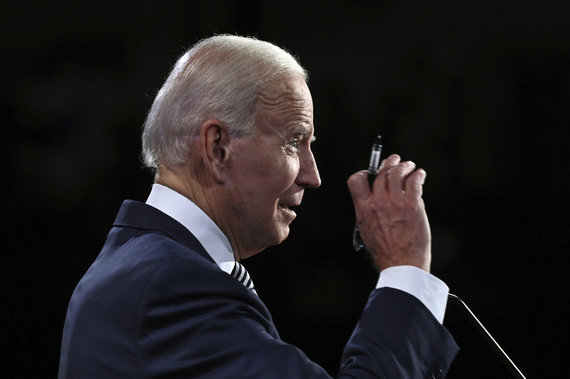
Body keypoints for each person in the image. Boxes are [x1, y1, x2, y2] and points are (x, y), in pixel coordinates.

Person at [58, 35, 458, 378]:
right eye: (293, 141)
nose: (312, 176)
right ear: (218, 148)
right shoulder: (171, 286)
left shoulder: (144, 265)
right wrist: (404, 267)